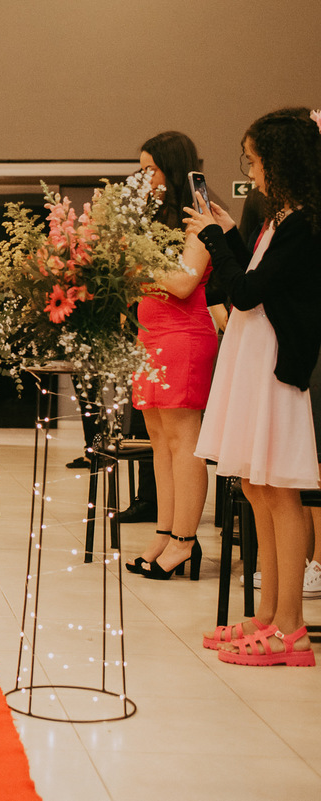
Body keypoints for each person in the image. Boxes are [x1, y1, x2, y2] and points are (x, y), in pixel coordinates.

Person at [187, 108, 321, 667]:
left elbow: (244, 294)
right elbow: (252, 281)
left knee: (278, 489)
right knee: (256, 486)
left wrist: (214, 240)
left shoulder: (303, 225)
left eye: (255, 159)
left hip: (274, 365)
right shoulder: (278, 220)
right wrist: (228, 235)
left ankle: (291, 627)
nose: (253, 170)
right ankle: (268, 615)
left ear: (280, 161)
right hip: (253, 357)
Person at [125, 132, 217, 581]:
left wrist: (137, 265)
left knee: (183, 442)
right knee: (159, 442)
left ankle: (185, 540)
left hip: (184, 336)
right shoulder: (154, 219)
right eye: (141, 169)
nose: (145, 178)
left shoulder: (198, 216)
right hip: (152, 335)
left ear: (173, 169)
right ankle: (164, 532)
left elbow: (183, 283)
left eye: (152, 169)